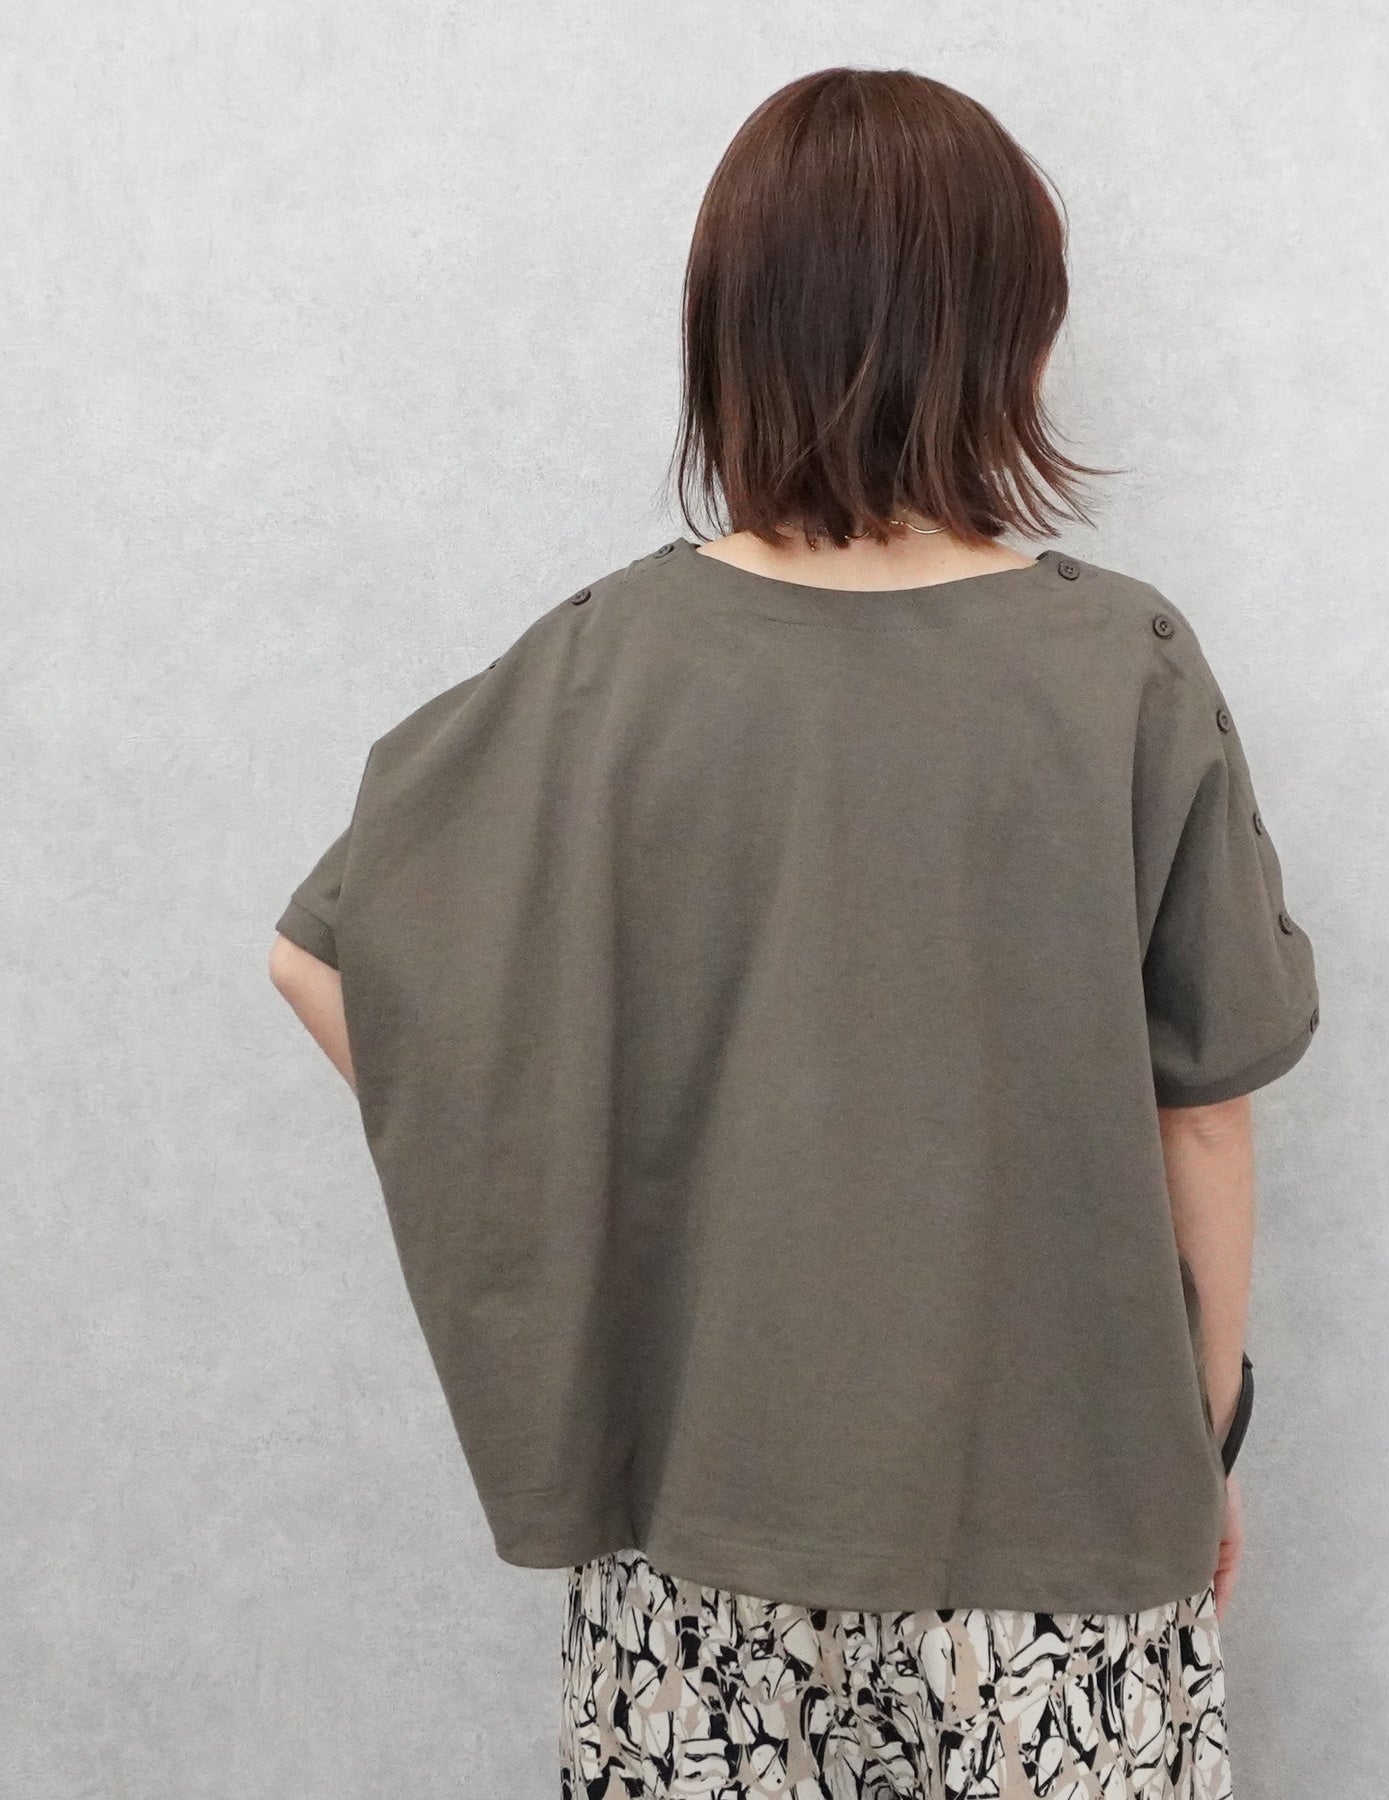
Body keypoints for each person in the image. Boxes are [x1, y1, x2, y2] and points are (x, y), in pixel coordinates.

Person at [270, 64, 1319, 1800]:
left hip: (699, 1539)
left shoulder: (605, 667)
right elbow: (1203, 1109)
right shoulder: (1124, 666)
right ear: (1001, 333)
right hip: (1064, 1546)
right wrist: (1203, 1445)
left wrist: (568, 1170)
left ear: (731, 328)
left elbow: (325, 957)